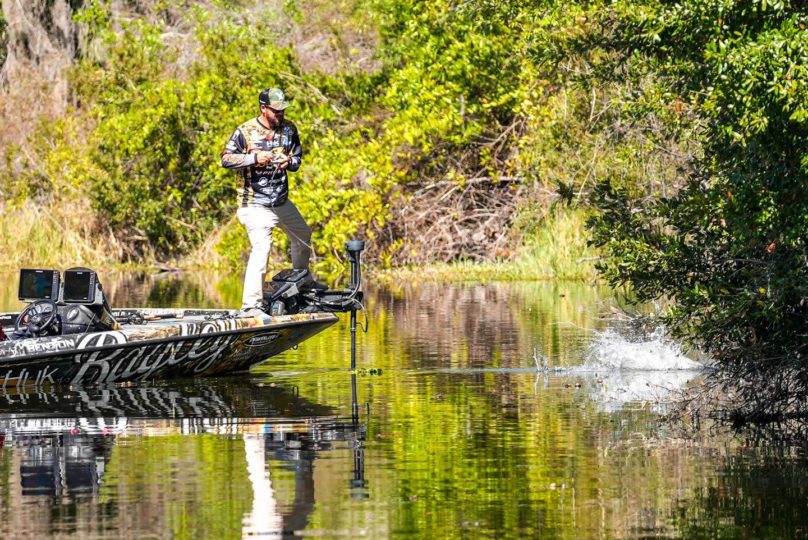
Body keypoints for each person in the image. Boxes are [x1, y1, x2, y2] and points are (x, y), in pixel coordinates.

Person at [221, 87, 320, 316]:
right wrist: (254, 158)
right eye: (276, 111)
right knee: (262, 249)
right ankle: (251, 306)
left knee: (303, 236)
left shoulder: (289, 129)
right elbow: (226, 159)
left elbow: (297, 159)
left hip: (281, 201)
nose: (281, 115)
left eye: (283, 110)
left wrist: (289, 161)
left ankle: (301, 282)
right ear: (263, 108)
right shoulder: (245, 131)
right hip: (254, 203)